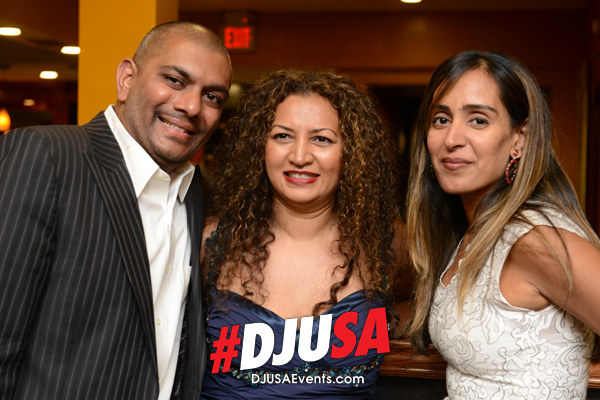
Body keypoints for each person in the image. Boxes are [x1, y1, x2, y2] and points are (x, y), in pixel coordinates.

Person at [0, 22, 231, 400]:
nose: (191, 107)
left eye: (212, 97)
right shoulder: (47, 157)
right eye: (174, 80)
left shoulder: (198, 195)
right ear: (127, 79)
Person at [404, 50, 600, 399]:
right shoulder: (475, 233)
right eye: (441, 119)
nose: (452, 139)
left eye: (478, 120)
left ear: (519, 138)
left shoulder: (533, 240)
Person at [200, 69, 406, 399]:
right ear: (260, 147)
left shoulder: (386, 242)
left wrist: (391, 322)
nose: (299, 156)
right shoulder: (212, 241)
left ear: (351, 152)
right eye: (282, 136)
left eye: (321, 139)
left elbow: (435, 300)